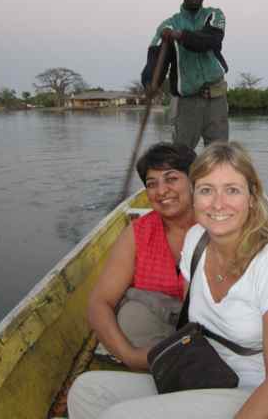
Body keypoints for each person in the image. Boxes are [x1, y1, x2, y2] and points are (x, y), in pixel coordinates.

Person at [68, 142, 268, 419]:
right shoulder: (196, 243)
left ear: (252, 197)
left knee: (119, 416)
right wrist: (139, 356)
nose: (218, 203)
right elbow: (192, 327)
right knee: (87, 392)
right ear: (194, 196)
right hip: (215, 377)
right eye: (206, 190)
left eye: (232, 190)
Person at [86, 142, 196, 371]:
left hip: (210, 327)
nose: (161, 191)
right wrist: (129, 355)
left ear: (193, 181)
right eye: (151, 184)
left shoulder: (218, 224)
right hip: (155, 333)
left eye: (171, 178)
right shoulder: (138, 233)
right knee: (131, 315)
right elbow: (100, 303)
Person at [141, 0, 229, 150]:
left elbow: (209, 40)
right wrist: (150, 82)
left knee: (219, 154)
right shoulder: (168, 25)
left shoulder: (214, 15)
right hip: (187, 101)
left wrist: (181, 35)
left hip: (216, 98)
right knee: (181, 154)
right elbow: (156, 57)